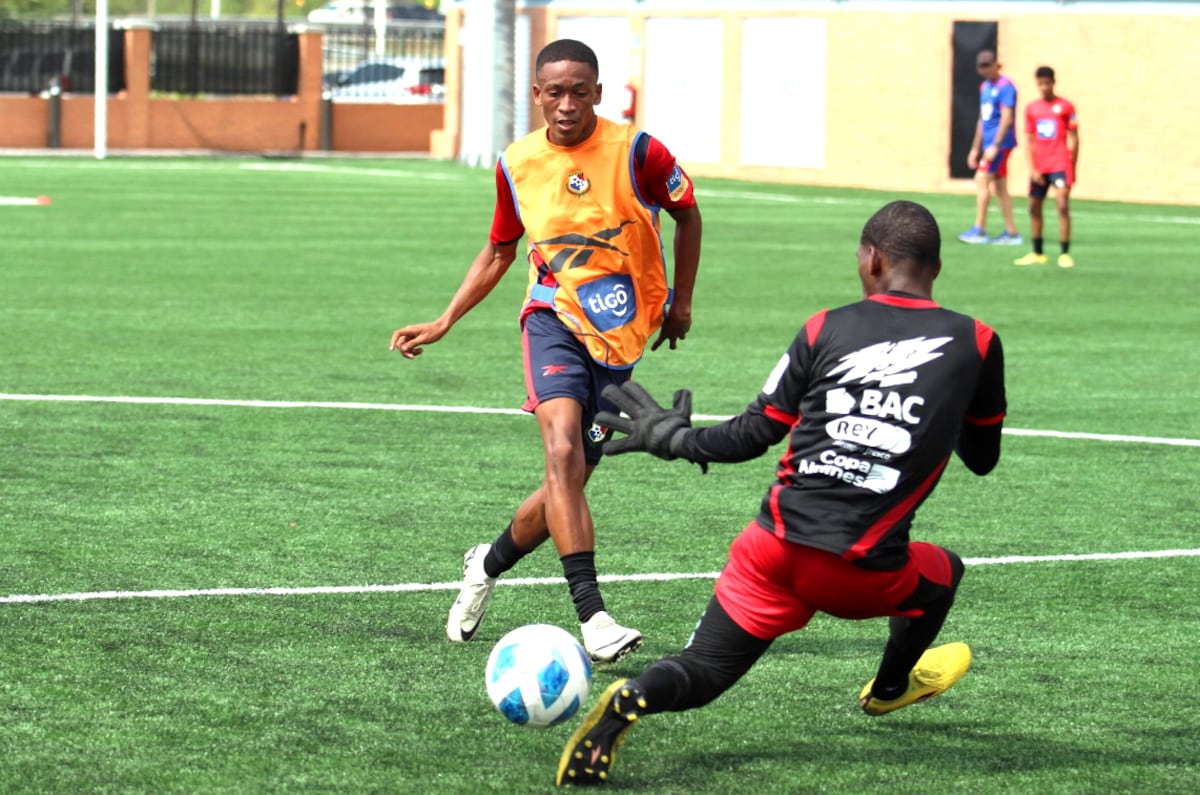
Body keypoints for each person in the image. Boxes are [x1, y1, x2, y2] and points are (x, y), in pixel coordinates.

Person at [556, 200, 1006, 787]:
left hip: (769, 548)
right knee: (944, 573)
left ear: (871, 261)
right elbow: (982, 459)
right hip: (858, 568)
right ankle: (889, 691)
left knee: (703, 671)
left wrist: (675, 439)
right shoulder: (976, 340)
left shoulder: (826, 326)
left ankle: (632, 697)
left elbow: (754, 433)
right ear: (937, 269)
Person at [389, 39, 702, 664]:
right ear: (537, 94)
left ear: (597, 93)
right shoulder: (516, 163)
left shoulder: (638, 151)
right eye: (553, 92)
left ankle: (487, 562)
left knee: (570, 479)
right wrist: (445, 320)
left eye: (578, 91)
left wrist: (682, 303)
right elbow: (501, 250)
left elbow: (688, 213)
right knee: (560, 449)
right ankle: (594, 617)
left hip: (620, 333)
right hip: (551, 317)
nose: (566, 104)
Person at [1013, 66, 1080, 269]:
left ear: (1053, 82)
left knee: (1061, 204)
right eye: (1040, 84)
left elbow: (1075, 139)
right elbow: (1029, 140)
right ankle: (1037, 251)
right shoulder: (1032, 109)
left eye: (1047, 83)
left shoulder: (1066, 107)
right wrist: (1032, 168)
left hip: (1060, 164)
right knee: (1033, 207)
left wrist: (1071, 166)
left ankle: (1065, 253)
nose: (1043, 87)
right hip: (1040, 166)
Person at [958, 50, 1023, 246]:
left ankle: (979, 229)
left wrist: (995, 145)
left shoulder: (1005, 87)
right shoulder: (984, 87)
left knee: (981, 179)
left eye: (988, 64)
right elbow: (982, 119)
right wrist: (975, 148)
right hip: (988, 143)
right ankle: (1012, 233)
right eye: (982, 65)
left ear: (996, 64)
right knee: (1000, 186)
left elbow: (1006, 117)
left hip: (1000, 144)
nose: (985, 69)